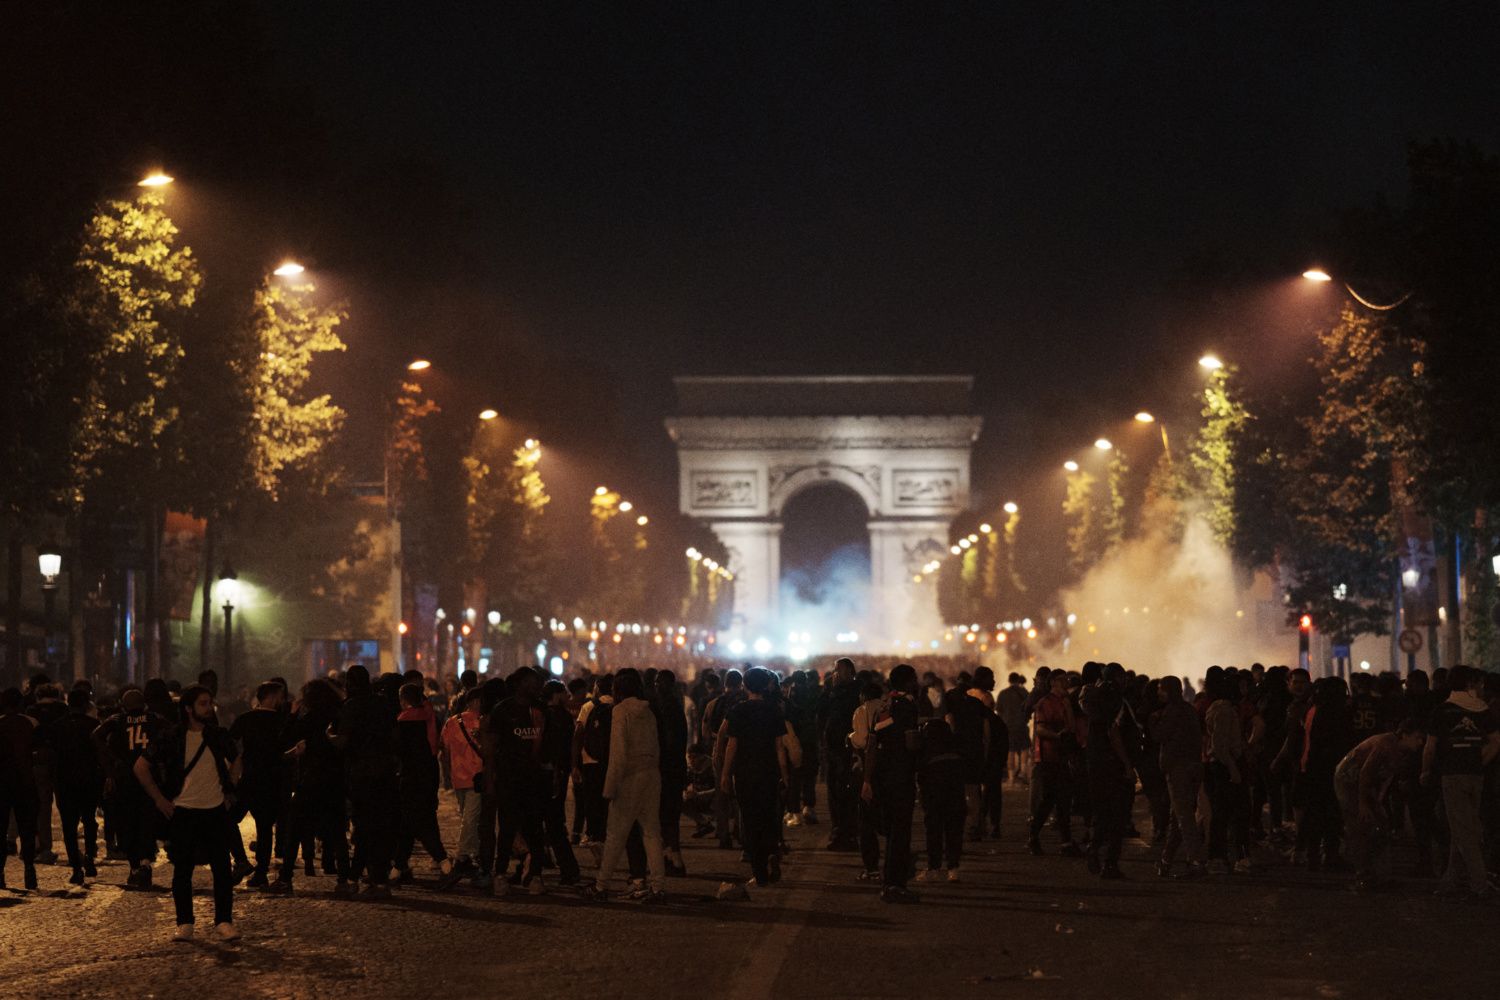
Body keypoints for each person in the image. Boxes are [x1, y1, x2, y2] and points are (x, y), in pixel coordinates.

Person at [134, 685, 241, 942]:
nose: (209, 708)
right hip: (183, 811)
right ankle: (184, 923)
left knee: (222, 869)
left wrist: (230, 789)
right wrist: (159, 799)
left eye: (210, 703)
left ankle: (224, 921)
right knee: (182, 870)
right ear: (189, 708)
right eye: (203, 703)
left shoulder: (217, 735)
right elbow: (140, 767)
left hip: (214, 810)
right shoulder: (171, 736)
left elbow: (238, 756)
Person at [585, 668, 666, 902]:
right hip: (651, 774)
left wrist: (610, 788)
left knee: (615, 836)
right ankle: (658, 887)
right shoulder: (648, 711)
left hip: (630, 777)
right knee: (652, 833)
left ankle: (601, 885)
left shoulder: (620, 712)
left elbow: (618, 754)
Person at [1422, 664, 1500, 900]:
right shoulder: (1482, 710)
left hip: (1452, 774)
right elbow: (1495, 741)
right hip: (1476, 775)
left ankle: (1479, 883)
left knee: (1463, 828)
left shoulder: (1442, 711)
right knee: (1463, 826)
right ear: (1469, 683)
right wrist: (1479, 761)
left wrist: (1425, 771)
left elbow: (1431, 746)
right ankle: (1451, 880)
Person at [331, 664, 399, 898]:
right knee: (380, 828)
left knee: (364, 828)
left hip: (362, 774)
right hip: (385, 773)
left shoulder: (351, 706)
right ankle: (376, 881)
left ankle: (357, 879)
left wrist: (328, 736)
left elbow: (343, 742)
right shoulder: (382, 704)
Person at [276, 677, 349, 894]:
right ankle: (344, 880)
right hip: (334, 780)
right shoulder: (338, 716)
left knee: (295, 829)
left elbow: (284, 739)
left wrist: (291, 714)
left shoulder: (308, 719)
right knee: (337, 832)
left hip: (310, 780)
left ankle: (285, 878)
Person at [1336, 719, 1426, 891]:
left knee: (1380, 824)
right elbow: (1365, 773)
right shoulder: (1385, 745)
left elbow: (1386, 776)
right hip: (1349, 780)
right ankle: (1363, 875)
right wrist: (1364, 803)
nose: (1420, 743)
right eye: (1417, 738)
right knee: (1361, 826)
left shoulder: (1402, 751)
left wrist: (1377, 801)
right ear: (1404, 735)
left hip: (1367, 785)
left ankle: (1380, 874)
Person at [721, 666, 788, 886]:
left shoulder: (738, 711)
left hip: (745, 773)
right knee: (768, 816)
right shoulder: (774, 710)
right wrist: (784, 775)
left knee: (750, 821)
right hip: (769, 772)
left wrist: (725, 774)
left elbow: (732, 745)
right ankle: (771, 852)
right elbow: (780, 747)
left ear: (745, 685)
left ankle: (759, 872)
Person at [863, 663, 922, 904]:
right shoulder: (906, 706)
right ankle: (894, 885)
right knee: (900, 832)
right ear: (908, 682)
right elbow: (910, 743)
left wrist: (868, 779)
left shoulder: (884, 705)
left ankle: (892, 879)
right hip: (900, 776)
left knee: (893, 832)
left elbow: (871, 745)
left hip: (883, 776)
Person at [486, 667, 548, 894]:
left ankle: (536, 876)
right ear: (520, 683)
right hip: (509, 778)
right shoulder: (503, 710)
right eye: (532, 682)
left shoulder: (540, 709)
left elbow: (544, 747)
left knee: (535, 830)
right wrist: (490, 778)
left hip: (534, 779)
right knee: (507, 829)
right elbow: (491, 747)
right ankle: (500, 874)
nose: (536, 687)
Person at [393, 682, 458, 887]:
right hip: (429, 775)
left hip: (411, 778)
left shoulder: (404, 722)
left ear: (404, 700)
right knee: (412, 822)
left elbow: (399, 752)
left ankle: (445, 863)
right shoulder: (431, 717)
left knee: (416, 822)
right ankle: (396, 869)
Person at [228, 681, 290, 888]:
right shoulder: (282, 721)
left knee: (228, 819)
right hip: (271, 780)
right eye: (280, 696)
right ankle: (261, 873)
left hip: (249, 778)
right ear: (272, 697)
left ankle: (241, 859)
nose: (282, 700)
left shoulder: (246, 719)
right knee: (264, 829)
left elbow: (230, 743)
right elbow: (284, 751)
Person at [1151, 676, 1206, 879]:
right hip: (1193, 767)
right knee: (1178, 817)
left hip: (1178, 769)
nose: (1159, 693)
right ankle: (1166, 860)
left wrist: (1153, 721)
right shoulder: (1189, 710)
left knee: (1184, 818)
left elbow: (1159, 735)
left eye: (1161, 689)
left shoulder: (1171, 712)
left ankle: (1196, 862)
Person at [50, 688, 104, 885]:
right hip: (89, 780)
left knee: (69, 826)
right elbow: (100, 754)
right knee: (89, 820)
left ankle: (75, 866)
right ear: (85, 705)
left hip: (65, 781)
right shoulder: (94, 725)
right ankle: (89, 857)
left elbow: (53, 756)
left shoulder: (58, 727)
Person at [1027, 670, 1081, 856]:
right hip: (1048, 758)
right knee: (1050, 800)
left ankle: (1065, 842)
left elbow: (1072, 728)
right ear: (1054, 682)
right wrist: (1058, 736)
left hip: (1062, 758)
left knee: (1063, 800)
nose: (1067, 682)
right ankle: (1034, 835)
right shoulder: (1045, 703)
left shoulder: (1065, 702)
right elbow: (1040, 729)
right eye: (1063, 679)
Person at [538, 679, 582, 885]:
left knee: (550, 822)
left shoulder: (547, 715)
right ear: (556, 695)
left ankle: (562, 867)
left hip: (551, 774)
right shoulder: (558, 716)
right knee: (554, 823)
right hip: (555, 774)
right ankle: (566, 867)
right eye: (564, 692)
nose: (568, 695)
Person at [817, 657, 861, 851]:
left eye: (839, 670)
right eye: (834, 670)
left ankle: (849, 833)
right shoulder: (831, 691)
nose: (836, 674)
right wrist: (828, 691)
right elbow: (821, 712)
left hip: (849, 749)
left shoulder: (856, 692)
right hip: (832, 749)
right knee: (834, 793)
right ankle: (838, 831)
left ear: (851, 672)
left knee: (848, 793)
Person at [440, 688, 485, 873]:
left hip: (459, 776)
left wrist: (447, 775)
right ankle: (466, 856)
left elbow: (445, 750)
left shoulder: (451, 722)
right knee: (470, 819)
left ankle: (466, 855)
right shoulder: (482, 721)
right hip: (478, 776)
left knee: (469, 818)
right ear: (474, 701)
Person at [918, 708, 965, 882]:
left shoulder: (927, 752)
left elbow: (921, 776)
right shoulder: (955, 752)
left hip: (934, 796)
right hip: (955, 795)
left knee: (934, 830)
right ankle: (953, 868)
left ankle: (934, 867)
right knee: (953, 830)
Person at [0, 687, 40, 890]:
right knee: (27, 827)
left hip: (2, 783)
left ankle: (0, 873)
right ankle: (30, 868)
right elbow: (40, 751)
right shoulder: (30, 723)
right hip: (25, 782)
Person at [997, 672, 1031, 786]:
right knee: (1024, 748)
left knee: (1010, 751)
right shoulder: (1024, 692)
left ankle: (1011, 778)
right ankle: (1023, 773)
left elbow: (999, 711)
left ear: (1009, 680)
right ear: (1018, 680)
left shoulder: (1003, 694)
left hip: (1008, 727)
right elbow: (1029, 708)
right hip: (1021, 725)